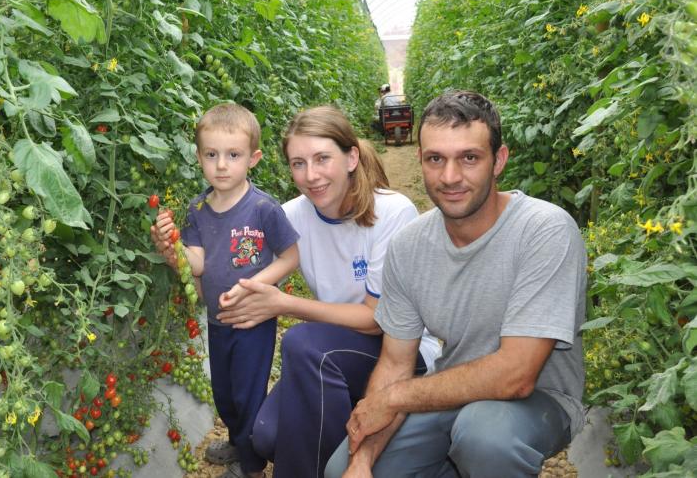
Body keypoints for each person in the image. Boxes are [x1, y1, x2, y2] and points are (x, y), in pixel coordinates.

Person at [324, 90, 587, 478]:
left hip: (539, 400)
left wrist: (395, 398)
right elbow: (395, 364)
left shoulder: (544, 231)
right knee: (341, 470)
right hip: (453, 394)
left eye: (469, 158)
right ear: (420, 159)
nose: (450, 177)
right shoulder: (409, 246)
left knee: (484, 438)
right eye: (436, 159)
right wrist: (362, 460)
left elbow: (516, 376)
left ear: (498, 160)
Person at [211, 105, 441, 478]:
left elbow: (376, 320)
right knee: (266, 437)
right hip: (330, 356)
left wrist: (284, 304)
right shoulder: (291, 216)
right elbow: (233, 260)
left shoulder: (392, 212)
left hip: (400, 354)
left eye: (322, 159)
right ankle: (344, 425)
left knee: (303, 343)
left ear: (351, 158)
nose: (311, 175)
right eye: (298, 163)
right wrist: (182, 254)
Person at [152, 103, 300, 478]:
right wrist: (171, 247)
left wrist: (257, 285)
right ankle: (238, 442)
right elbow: (196, 264)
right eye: (211, 155)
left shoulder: (263, 208)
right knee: (225, 394)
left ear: (253, 159)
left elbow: (290, 257)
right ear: (198, 157)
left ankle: (251, 468)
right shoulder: (197, 209)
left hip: (253, 322)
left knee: (247, 396)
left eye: (233, 155)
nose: (221, 165)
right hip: (217, 322)